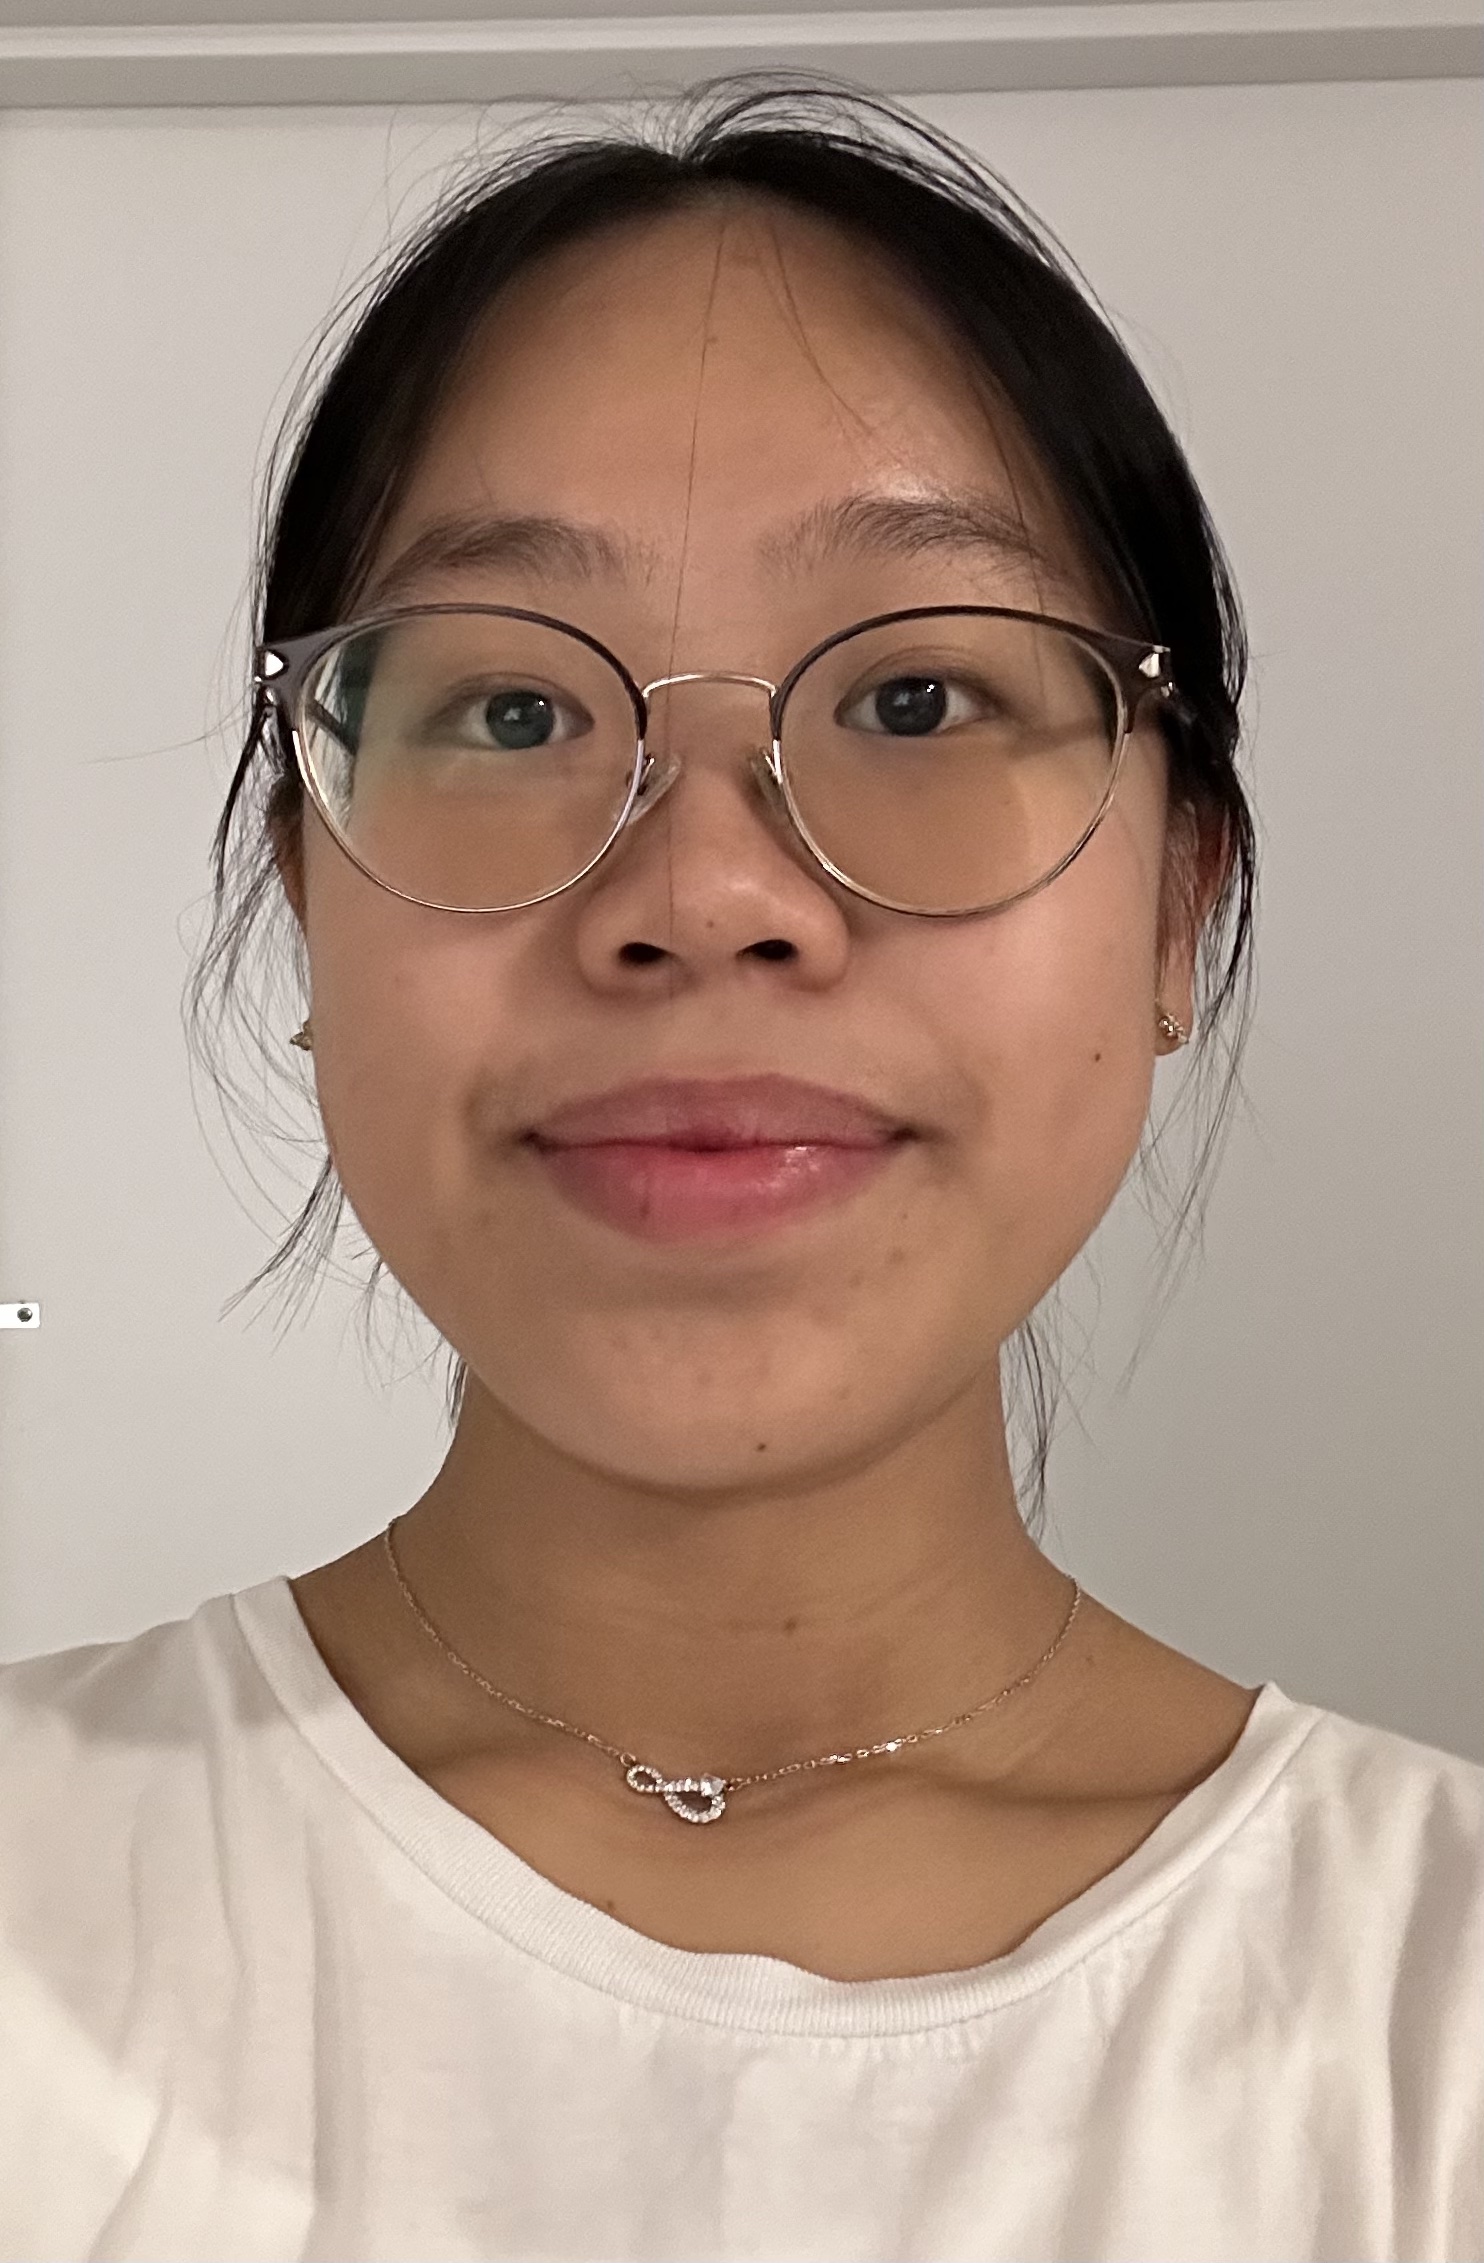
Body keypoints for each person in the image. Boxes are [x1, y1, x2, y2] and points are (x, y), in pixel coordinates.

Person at [0, 76, 1478, 2263]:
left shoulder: (1426, 2022)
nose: (702, 890)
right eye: (512, 714)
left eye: (914, 700)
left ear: (1176, 912)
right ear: (306, 903)